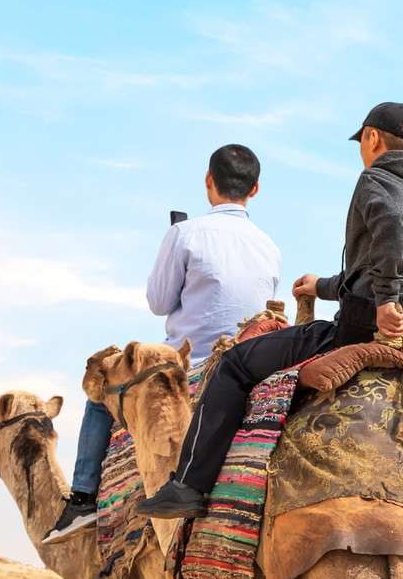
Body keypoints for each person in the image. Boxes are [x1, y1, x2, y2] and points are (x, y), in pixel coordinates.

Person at [134, 103, 403, 521]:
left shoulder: (378, 178)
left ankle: (189, 487)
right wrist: (321, 287)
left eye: (362, 142)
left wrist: (386, 300)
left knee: (234, 365)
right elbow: (379, 264)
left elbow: (391, 229)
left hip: (362, 332)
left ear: (372, 138)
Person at [47, 145, 279, 537]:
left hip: (190, 365)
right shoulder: (269, 246)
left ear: (209, 181)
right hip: (248, 361)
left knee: (99, 388)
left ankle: (83, 498)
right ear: (254, 189)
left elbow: (158, 303)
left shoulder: (184, 234)